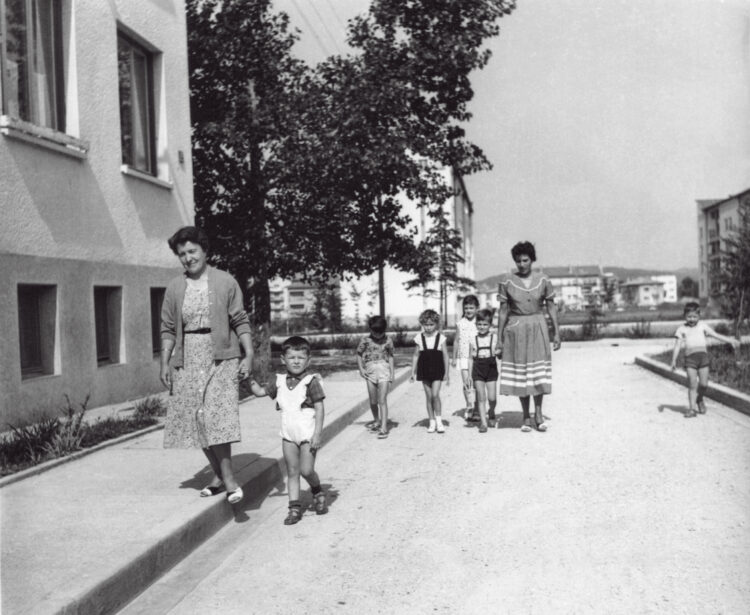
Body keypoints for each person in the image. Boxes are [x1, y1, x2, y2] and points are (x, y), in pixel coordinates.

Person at [160, 226, 253, 505]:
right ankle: (219, 477)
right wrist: (164, 362)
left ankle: (230, 480)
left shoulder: (225, 281)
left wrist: (249, 354)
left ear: (205, 251)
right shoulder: (175, 287)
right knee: (197, 420)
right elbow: (168, 328)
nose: (188, 258)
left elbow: (240, 320)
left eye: (192, 251)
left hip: (221, 356)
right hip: (187, 357)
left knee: (217, 418)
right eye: (182, 254)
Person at [247, 336, 328, 525]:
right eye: (292, 357)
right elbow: (259, 392)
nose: (296, 361)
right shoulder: (279, 381)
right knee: (292, 471)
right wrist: (248, 378)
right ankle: (294, 508)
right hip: (288, 435)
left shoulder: (311, 381)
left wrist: (317, 434)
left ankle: (317, 490)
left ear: (308, 360)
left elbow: (319, 408)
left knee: (306, 470)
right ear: (283, 359)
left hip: (307, 435)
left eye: (301, 357)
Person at [496, 241, 561, 432]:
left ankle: (538, 414)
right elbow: (503, 311)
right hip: (516, 329)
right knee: (521, 372)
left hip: (538, 327)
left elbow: (551, 307)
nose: (522, 264)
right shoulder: (507, 282)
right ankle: (525, 416)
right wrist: (499, 338)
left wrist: (556, 332)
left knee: (537, 372)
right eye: (518, 261)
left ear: (532, 260)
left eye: (525, 260)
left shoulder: (543, 280)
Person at [669, 302, 740, 418]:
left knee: (704, 384)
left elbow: (716, 335)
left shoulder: (703, 326)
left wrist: (730, 340)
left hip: (703, 359)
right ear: (684, 316)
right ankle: (692, 409)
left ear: (699, 315)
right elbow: (677, 345)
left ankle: (699, 399)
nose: (692, 319)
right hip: (690, 360)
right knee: (692, 385)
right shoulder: (681, 329)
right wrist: (673, 360)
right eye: (689, 317)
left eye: (694, 316)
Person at [410, 309, 450, 433]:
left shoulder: (441, 338)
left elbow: (445, 356)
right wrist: (412, 372)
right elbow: (416, 355)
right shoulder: (419, 338)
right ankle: (431, 421)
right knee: (428, 397)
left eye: (431, 324)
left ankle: (439, 421)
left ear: (436, 324)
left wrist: (447, 373)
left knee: (435, 395)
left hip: (437, 370)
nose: (428, 327)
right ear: (422, 324)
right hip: (424, 370)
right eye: (426, 325)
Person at [356, 315, 395, 439]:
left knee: (382, 400)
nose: (378, 335)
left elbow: (391, 356)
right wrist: (361, 368)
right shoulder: (365, 340)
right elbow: (358, 354)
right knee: (373, 401)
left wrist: (392, 373)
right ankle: (377, 420)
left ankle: (384, 428)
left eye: (380, 332)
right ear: (370, 329)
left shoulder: (388, 340)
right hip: (370, 372)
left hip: (384, 371)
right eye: (375, 332)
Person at [467, 309, 499, 433]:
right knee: (481, 397)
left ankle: (491, 411)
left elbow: (500, 352)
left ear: (490, 325)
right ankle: (483, 423)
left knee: (492, 398)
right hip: (478, 369)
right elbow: (470, 358)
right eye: (479, 324)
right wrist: (469, 375)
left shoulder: (494, 338)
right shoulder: (473, 339)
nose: (482, 327)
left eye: (485, 324)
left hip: (491, 368)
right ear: (476, 324)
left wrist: (499, 352)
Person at [451, 295, 479, 421]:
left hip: (477, 357)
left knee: (477, 383)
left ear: (477, 308)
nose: (468, 310)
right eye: (466, 308)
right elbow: (456, 341)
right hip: (463, 357)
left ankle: (477, 408)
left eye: (471, 308)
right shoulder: (460, 323)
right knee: (467, 383)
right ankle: (469, 406)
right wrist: (454, 358)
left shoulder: (479, 322)